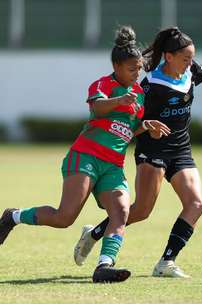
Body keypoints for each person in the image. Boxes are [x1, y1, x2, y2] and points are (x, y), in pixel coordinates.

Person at [73, 27, 202, 278]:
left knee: (196, 204)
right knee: (140, 211)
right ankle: (94, 234)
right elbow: (131, 125)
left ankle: (166, 262)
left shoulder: (189, 71)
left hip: (181, 149)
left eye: (191, 58)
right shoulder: (151, 85)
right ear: (168, 57)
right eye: (185, 59)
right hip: (153, 150)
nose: (190, 63)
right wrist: (147, 128)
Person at [0, 26, 170, 283]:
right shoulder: (103, 84)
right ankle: (12, 216)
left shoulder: (138, 94)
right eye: (131, 69)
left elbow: (128, 129)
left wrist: (146, 127)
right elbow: (98, 108)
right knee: (64, 217)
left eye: (139, 69)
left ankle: (104, 266)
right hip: (86, 157)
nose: (137, 74)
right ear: (116, 65)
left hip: (113, 165)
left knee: (121, 211)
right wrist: (118, 101)